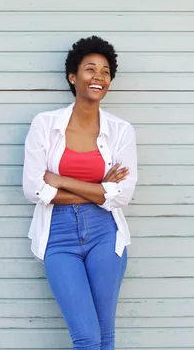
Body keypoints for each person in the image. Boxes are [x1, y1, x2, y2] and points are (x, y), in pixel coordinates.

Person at [22, 36, 138, 350]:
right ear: (73, 77)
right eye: (90, 69)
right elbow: (34, 188)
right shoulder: (45, 125)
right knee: (87, 338)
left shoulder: (121, 131)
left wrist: (60, 180)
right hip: (58, 236)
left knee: (105, 336)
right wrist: (101, 190)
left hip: (105, 234)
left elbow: (121, 195)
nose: (98, 77)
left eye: (105, 71)